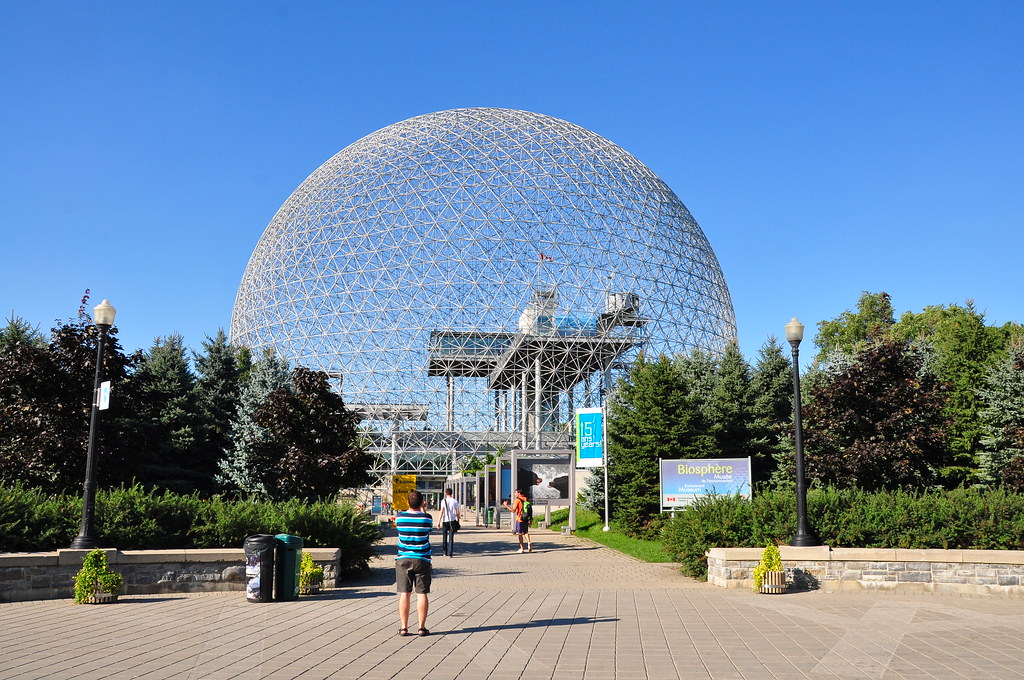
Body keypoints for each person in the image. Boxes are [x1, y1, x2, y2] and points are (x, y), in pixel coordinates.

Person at [395, 489, 432, 636]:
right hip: (422, 559)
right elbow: (428, 526)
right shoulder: (427, 519)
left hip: (403, 558)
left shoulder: (399, 518)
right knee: (421, 593)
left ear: (407, 502)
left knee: (405, 593)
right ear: (422, 502)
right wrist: (423, 508)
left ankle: (404, 627)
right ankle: (421, 627)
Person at [502, 488, 533, 553]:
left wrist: (506, 505)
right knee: (526, 532)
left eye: (515, 492)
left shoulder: (517, 500)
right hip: (526, 518)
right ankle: (529, 542)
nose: (514, 494)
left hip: (519, 519)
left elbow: (513, 510)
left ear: (519, 493)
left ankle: (522, 548)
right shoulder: (526, 499)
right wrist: (530, 519)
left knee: (520, 534)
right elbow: (530, 510)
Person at [437, 487, 461, 557]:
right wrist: (458, 520)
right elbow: (457, 512)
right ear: (451, 493)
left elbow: (441, 511)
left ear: (446, 493)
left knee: (444, 537)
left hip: (445, 521)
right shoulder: (455, 501)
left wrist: (438, 521)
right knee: (451, 538)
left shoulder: (443, 501)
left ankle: (444, 552)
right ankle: (450, 553)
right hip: (452, 521)